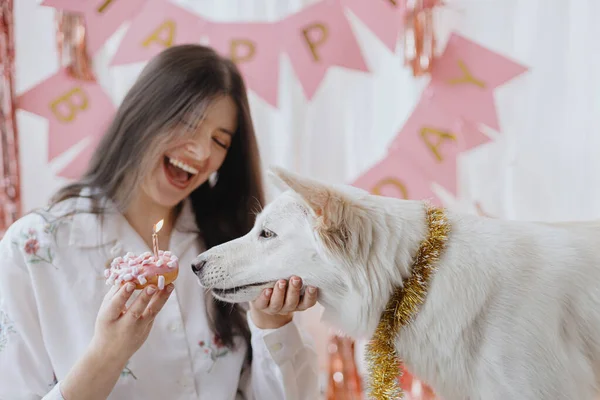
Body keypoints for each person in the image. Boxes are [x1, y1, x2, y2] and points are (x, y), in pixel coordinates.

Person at [0, 44, 320, 400]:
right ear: (143, 114)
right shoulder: (33, 248)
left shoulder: (230, 246)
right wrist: (108, 353)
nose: (200, 154)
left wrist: (271, 323)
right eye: (188, 123)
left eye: (218, 141)